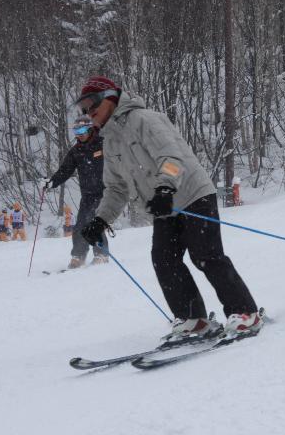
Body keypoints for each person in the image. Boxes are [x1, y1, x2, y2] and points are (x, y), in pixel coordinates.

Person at [77, 76, 261, 339]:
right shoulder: (110, 141)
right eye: (84, 108)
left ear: (111, 97)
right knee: (164, 260)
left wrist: (165, 187)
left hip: (192, 194)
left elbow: (172, 157)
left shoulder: (145, 119)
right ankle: (192, 319)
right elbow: (116, 188)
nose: (89, 111)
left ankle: (245, 313)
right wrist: (100, 220)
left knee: (206, 255)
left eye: (92, 103)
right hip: (163, 207)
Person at [42, 114, 109, 269]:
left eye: (82, 130)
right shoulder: (76, 151)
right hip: (88, 195)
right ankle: (78, 256)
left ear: (90, 129)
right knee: (80, 226)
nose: (79, 134)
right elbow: (65, 170)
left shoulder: (103, 144)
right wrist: (52, 182)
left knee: (93, 221)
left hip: (105, 192)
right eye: (76, 131)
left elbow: (120, 158)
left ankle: (101, 254)